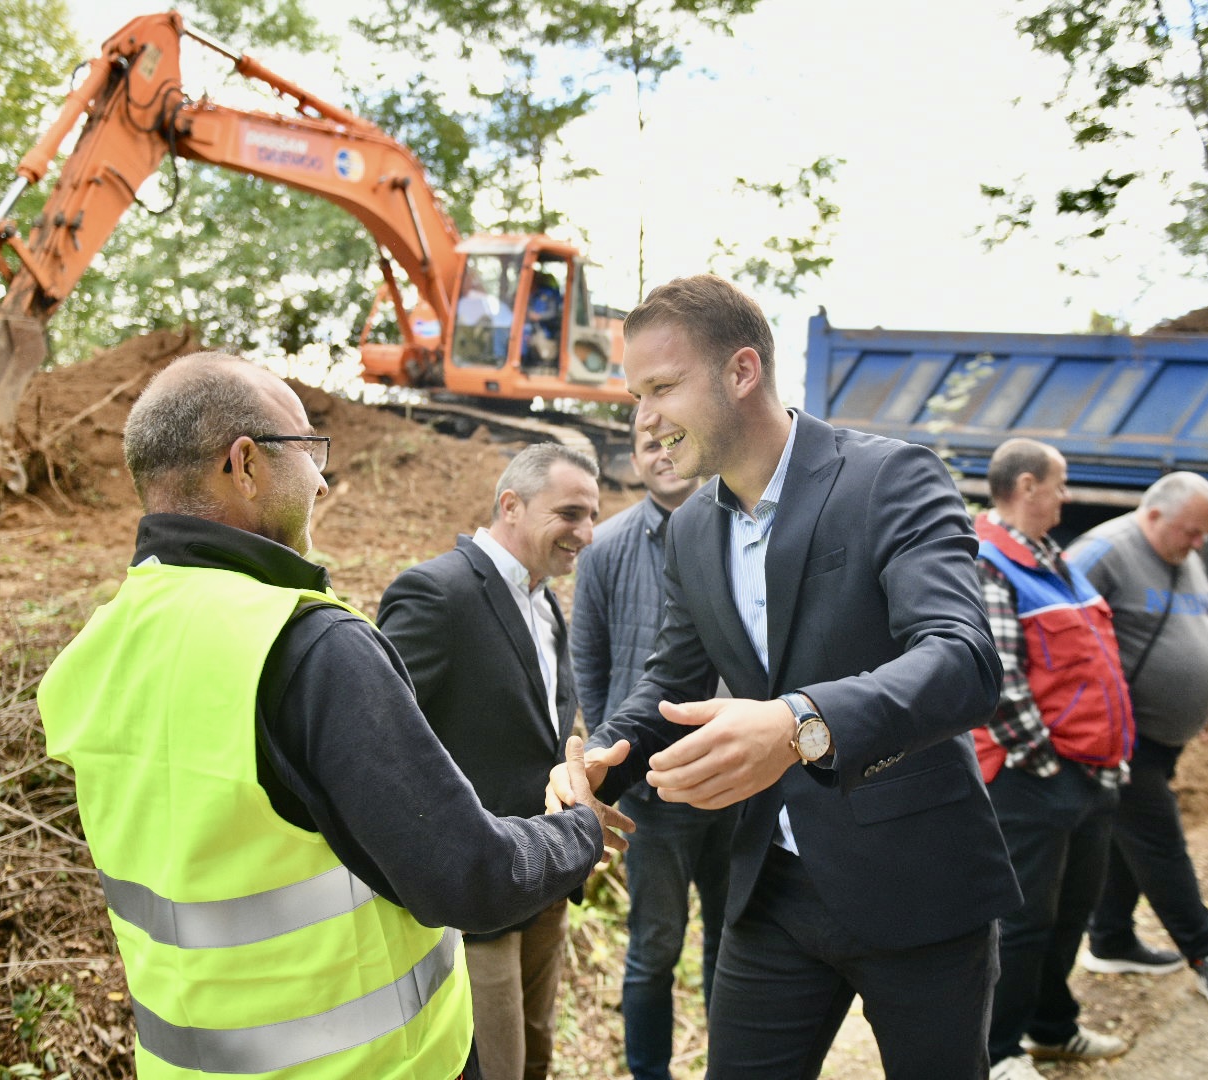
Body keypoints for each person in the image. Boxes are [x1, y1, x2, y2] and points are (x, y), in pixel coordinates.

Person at [36, 352, 627, 1079]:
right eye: (308, 449)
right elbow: (466, 875)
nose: (323, 478)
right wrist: (581, 830)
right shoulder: (308, 646)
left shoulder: (95, 651)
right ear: (244, 465)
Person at [550, 273, 1021, 1080]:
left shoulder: (891, 479)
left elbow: (965, 661)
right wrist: (607, 761)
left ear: (742, 372)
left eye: (663, 387)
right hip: (773, 890)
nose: (646, 420)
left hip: (918, 883)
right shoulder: (691, 528)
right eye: (636, 395)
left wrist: (799, 719)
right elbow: (669, 679)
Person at [378, 441, 605, 1080]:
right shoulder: (435, 593)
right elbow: (388, 747)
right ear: (511, 504)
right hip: (478, 898)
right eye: (569, 513)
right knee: (491, 1065)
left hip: (547, 881)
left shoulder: (545, 600)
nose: (585, 533)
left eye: (591, 515)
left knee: (535, 1052)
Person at [571, 417, 733, 1080]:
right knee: (653, 946)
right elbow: (591, 660)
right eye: (648, 446)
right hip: (653, 791)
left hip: (735, 776)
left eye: (674, 441)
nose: (663, 456)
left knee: (735, 940)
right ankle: (650, 1072)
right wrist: (614, 756)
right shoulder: (606, 547)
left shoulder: (737, 533)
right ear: (632, 459)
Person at [972, 437, 1136, 1080]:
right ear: (1028, 486)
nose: (1068, 497)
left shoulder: (1051, 559)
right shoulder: (989, 562)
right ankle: (1000, 1051)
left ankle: (1051, 1029)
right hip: (1034, 779)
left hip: (1088, 775)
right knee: (1022, 923)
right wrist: (1045, 764)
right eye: (1061, 484)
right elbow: (999, 682)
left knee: (1071, 910)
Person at [1068, 471, 1208, 1007]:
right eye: (1191, 532)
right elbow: (1045, 625)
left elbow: (1194, 618)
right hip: (1121, 736)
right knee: (1160, 839)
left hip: (1167, 732)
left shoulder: (1183, 550)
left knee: (1129, 835)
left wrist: (1207, 697)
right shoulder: (1102, 551)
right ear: (1152, 515)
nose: (1199, 543)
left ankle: (1110, 939)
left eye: (1205, 533)